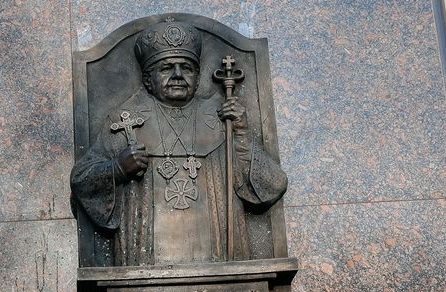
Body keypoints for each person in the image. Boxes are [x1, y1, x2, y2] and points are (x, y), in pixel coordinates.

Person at [71, 20, 287, 266]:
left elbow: (272, 186)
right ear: (148, 79)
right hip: (145, 268)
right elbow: (82, 181)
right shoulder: (125, 122)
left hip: (221, 271)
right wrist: (117, 169)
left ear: (197, 77)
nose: (177, 75)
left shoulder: (221, 119)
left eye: (186, 67)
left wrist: (241, 135)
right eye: (166, 68)